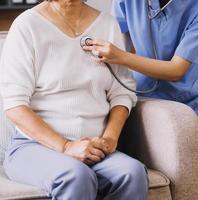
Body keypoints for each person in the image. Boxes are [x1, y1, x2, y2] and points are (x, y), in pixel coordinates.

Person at [0, 0, 148, 199]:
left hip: (93, 145)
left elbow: (122, 92)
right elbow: (15, 106)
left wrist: (109, 138)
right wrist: (66, 147)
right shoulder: (26, 25)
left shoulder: (107, 24)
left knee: (132, 173)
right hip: (33, 146)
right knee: (76, 175)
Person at [83, 0, 198, 114]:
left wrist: (120, 56)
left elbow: (176, 70)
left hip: (182, 101)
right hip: (136, 93)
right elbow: (120, 43)